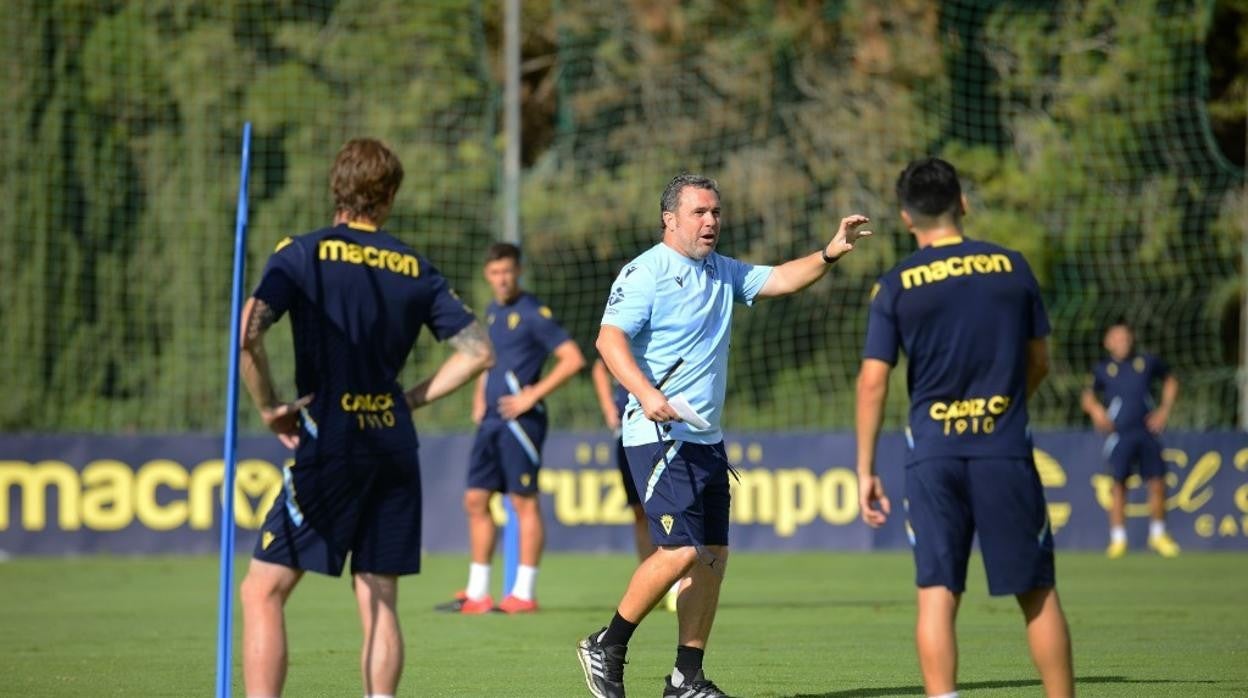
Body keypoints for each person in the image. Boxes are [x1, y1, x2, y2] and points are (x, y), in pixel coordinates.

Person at [577, 173, 871, 698]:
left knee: (711, 554)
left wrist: (830, 252)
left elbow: (779, 278)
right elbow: (608, 340)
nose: (711, 220)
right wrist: (645, 393)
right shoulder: (645, 272)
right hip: (657, 434)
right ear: (670, 219)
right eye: (699, 212)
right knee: (681, 550)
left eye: (715, 211)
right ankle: (607, 643)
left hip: (705, 439)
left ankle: (685, 677)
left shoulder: (721, 270)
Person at [238, 138, 494, 698]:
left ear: (337, 187)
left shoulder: (301, 252)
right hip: (394, 445)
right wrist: (410, 400)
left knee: (262, 591)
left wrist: (267, 405)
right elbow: (479, 352)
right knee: (378, 596)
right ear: (390, 196)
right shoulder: (415, 267)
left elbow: (249, 332)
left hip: (330, 440)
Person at [855, 157, 1074, 698]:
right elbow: (1041, 360)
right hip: (1002, 450)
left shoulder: (896, 285)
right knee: (1037, 592)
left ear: (906, 217)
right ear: (963, 203)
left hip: (933, 456)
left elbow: (871, 384)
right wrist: (1003, 407)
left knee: (937, 590)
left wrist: (864, 469)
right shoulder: (1012, 267)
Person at [438, 242, 586, 614]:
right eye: (495, 273)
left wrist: (531, 395)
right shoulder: (491, 312)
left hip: (520, 423)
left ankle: (523, 592)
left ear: (518, 271)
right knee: (475, 499)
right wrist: (478, 396)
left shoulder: (534, 312)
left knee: (522, 502)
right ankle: (477, 593)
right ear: (488, 275)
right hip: (490, 420)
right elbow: (485, 359)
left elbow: (572, 359)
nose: (502, 279)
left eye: (508, 271)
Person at [1080, 319, 1181, 559]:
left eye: (1125, 337)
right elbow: (1087, 396)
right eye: (1117, 337)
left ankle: (1158, 535)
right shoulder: (1103, 369)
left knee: (1157, 482)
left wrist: (1164, 410)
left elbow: (1171, 380)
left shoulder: (1146, 362)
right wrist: (1096, 411)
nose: (1122, 341)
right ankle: (1118, 539)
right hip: (1119, 435)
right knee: (1118, 486)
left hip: (1146, 432)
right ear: (1108, 342)